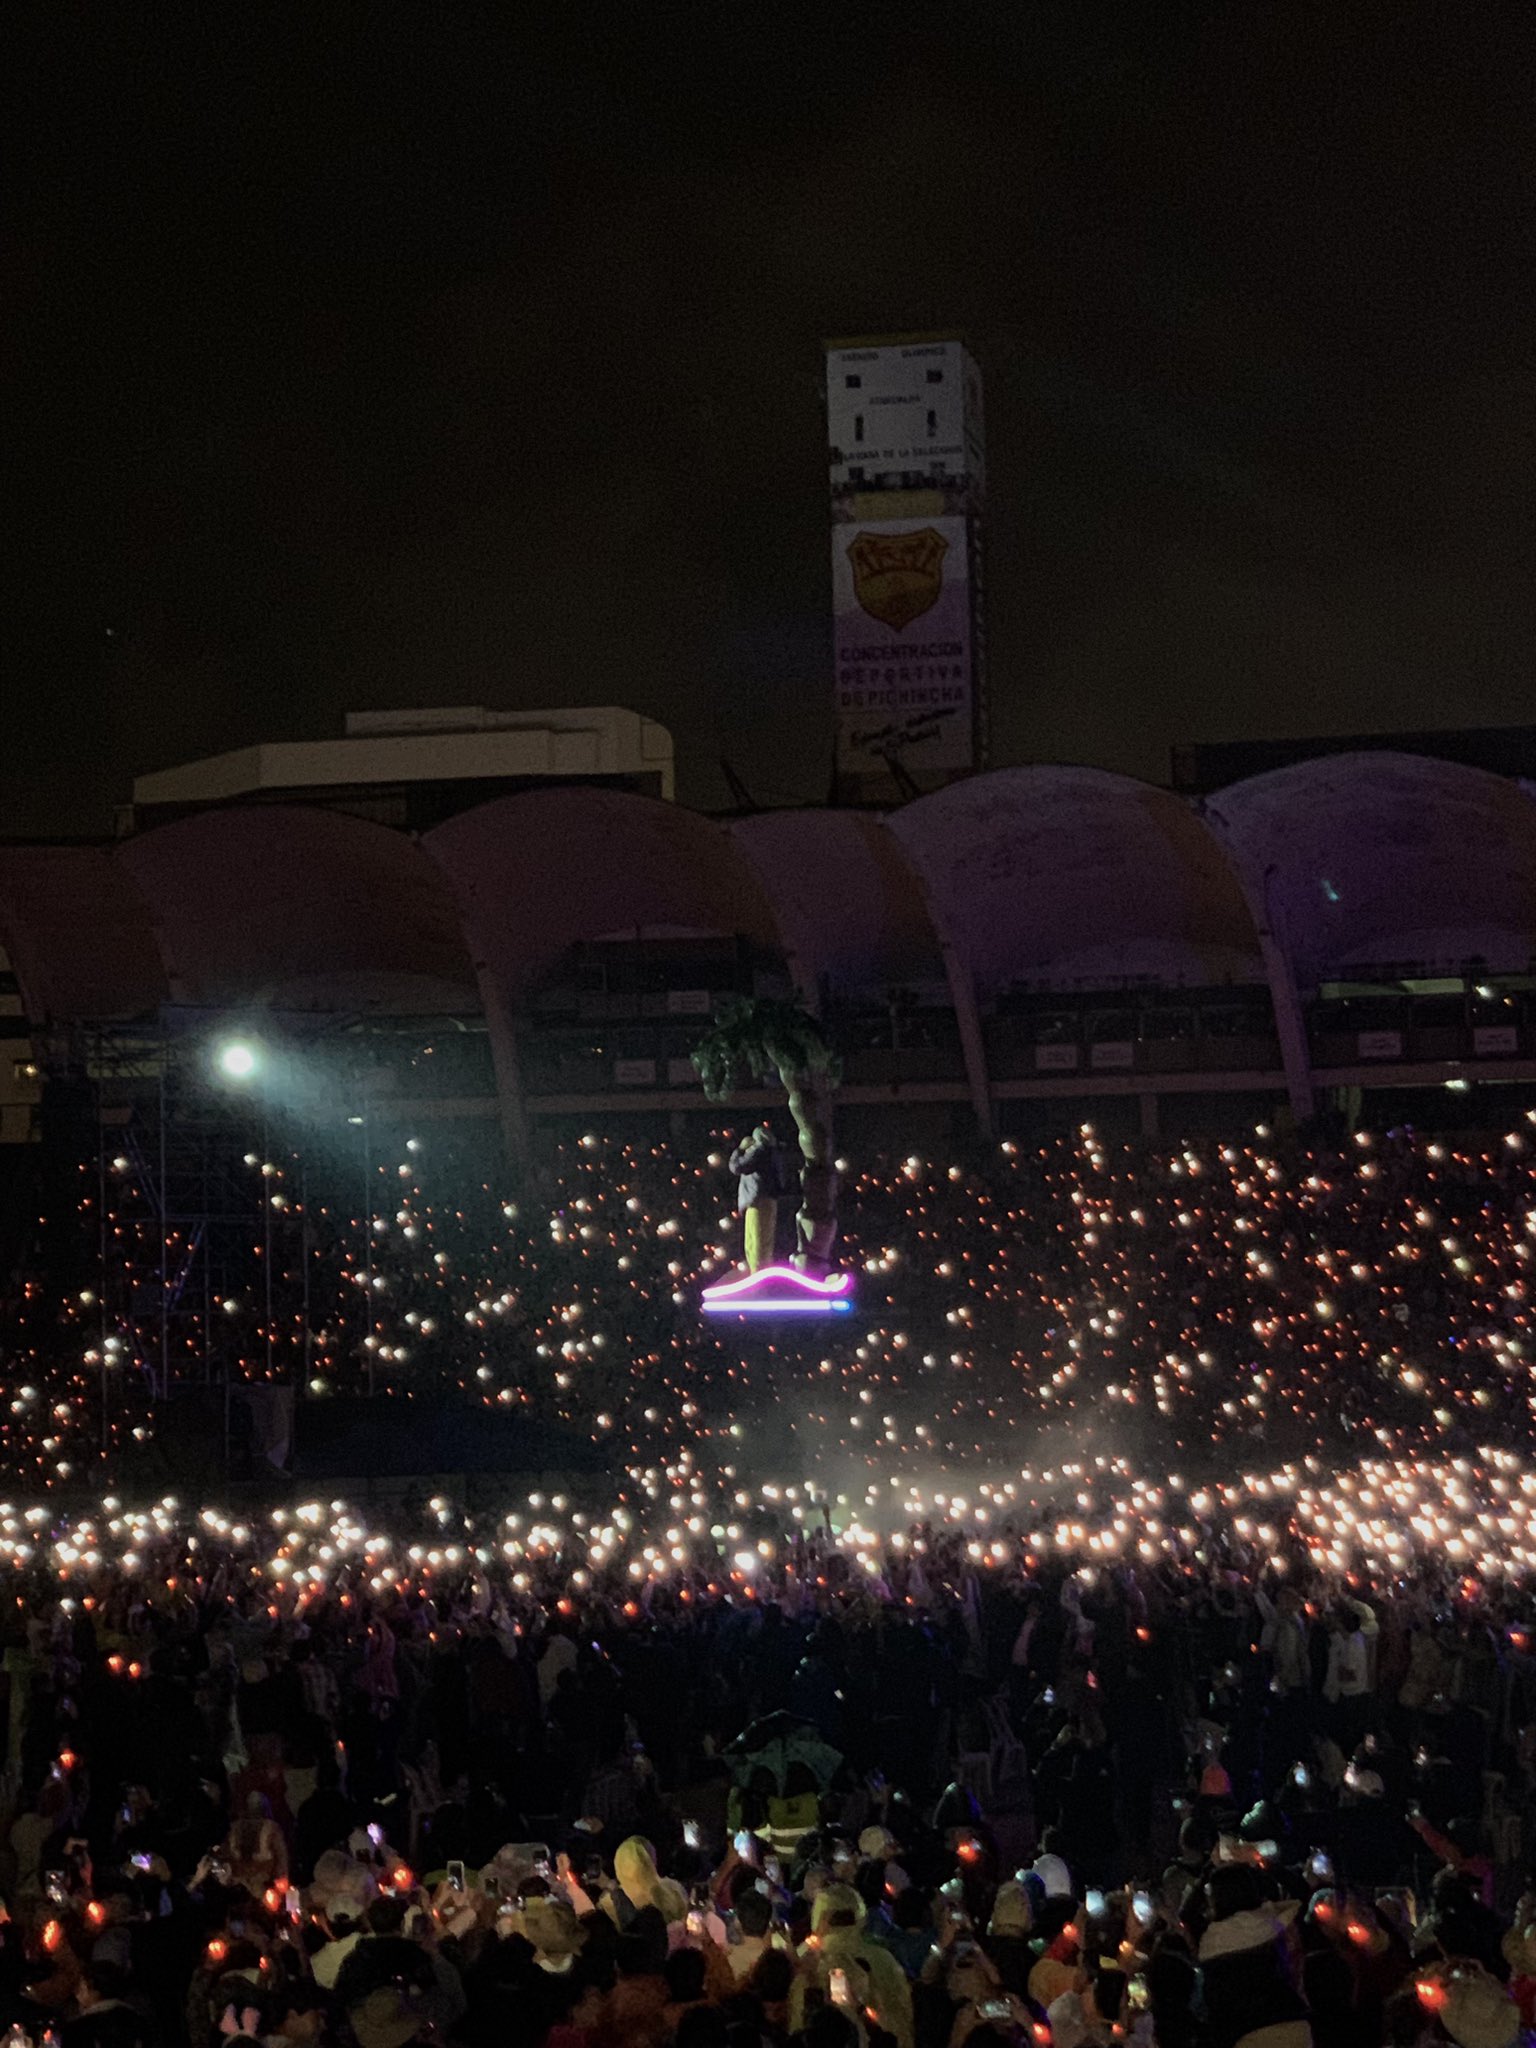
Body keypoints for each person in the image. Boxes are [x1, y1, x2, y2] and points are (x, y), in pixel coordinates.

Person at [728, 1125, 784, 1273]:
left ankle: (758, 1275)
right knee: (762, 1241)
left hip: (758, 1201)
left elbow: (736, 1167)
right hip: (765, 1200)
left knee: (756, 1243)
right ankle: (760, 1272)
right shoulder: (773, 1153)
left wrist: (740, 1149)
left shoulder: (760, 1151)